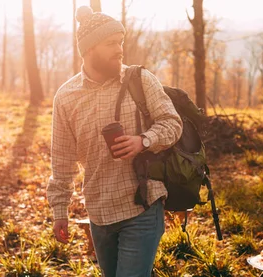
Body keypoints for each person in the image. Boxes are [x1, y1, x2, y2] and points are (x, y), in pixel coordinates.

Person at [46, 6, 183, 277]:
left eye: (120, 42)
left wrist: (143, 141)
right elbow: (62, 160)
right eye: (111, 43)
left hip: (141, 207)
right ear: (88, 50)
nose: (119, 49)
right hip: (98, 213)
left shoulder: (140, 80)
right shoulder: (66, 97)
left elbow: (172, 123)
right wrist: (59, 210)